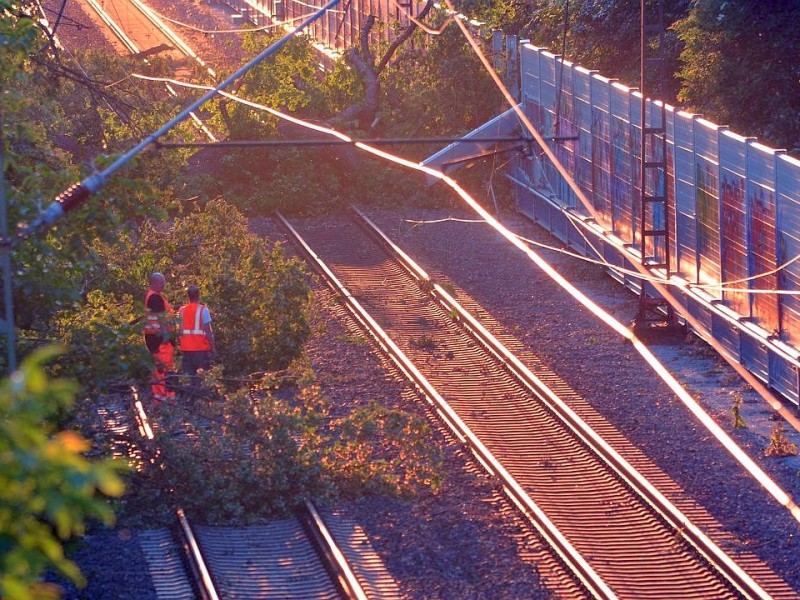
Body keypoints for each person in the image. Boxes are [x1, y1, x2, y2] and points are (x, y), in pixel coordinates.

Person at [144, 272, 176, 404]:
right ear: (154, 283)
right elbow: (161, 318)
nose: (164, 284)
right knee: (164, 368)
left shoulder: (152, 296)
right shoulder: (155, 298)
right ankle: (166, 397)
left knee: (158, 369)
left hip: (153, 338)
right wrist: (166, 335)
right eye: (161, 282)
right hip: (159, 339)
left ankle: (159, 397)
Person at [178, 284, 215, 386]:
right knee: (201, 378)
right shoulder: (203, 310)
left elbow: (180, 330)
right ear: (199, 295)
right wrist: (213, 346)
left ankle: (188, 399)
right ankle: (199, 399)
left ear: (188, 296)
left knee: (188, 378)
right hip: (201, 350)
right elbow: (208, 331)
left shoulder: (182, 311)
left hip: (186, 349)